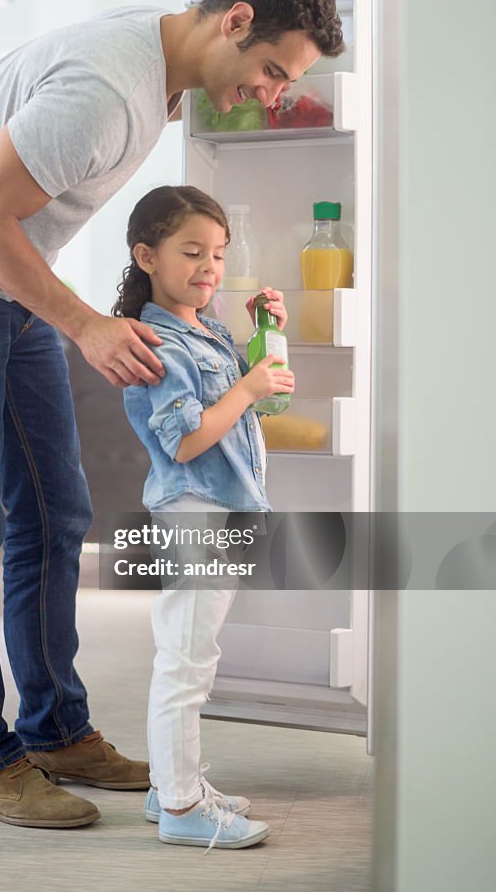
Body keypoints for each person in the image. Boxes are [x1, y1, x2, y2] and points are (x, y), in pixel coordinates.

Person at [0, 0, 343, 830]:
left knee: (55, 517)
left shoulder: (163, 68)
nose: (275, 94)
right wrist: (85, 323)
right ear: (234, 22)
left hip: (1, 283)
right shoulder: (107, 90)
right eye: (275, 70)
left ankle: (54, 731)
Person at [115, 185, 295, 850]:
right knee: (185, 662)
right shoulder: (155, 343)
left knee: (193, 655)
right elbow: (185, 440)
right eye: (191, 252)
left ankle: (171, 789)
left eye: (217, 254)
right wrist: (248, 387)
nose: (208, 267)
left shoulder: (206, 330)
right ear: (146, 256)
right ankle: (184, 810)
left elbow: (247, 402)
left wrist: (263, 333)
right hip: (195, 513)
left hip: (223, 508)